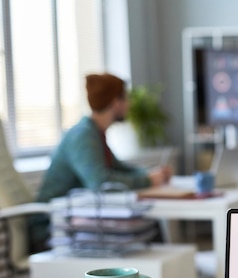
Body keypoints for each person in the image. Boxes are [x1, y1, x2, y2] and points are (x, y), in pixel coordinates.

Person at [29, 73, 172, 251]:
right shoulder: (82, 136)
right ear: (115, 102)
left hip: (78, 217)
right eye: (126, 99)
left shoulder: (95, 133)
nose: (130, 104)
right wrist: (149, 180)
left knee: (146, 221)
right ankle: (147, 275)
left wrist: (151, 174)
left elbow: (120, 169)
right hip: (52, 229)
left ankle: (153, 274)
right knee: (143, 221)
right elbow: (100, 182)